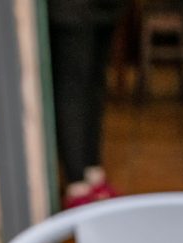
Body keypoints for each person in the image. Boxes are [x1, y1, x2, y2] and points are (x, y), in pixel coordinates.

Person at [47, 0, 127, 208]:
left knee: (95, 85)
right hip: (71, 9)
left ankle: (93, 174)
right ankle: (77, 184)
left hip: (105, 8)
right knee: (72, 88)